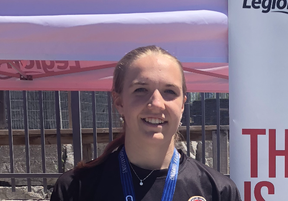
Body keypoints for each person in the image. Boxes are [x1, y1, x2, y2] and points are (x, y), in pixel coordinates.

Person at [50, 45, 242, 201]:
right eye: (141, 90)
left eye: (170, 91)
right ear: (119, 102)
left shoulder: (218, 191)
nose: (157, 104)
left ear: (183, 104)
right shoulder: (76, 189)